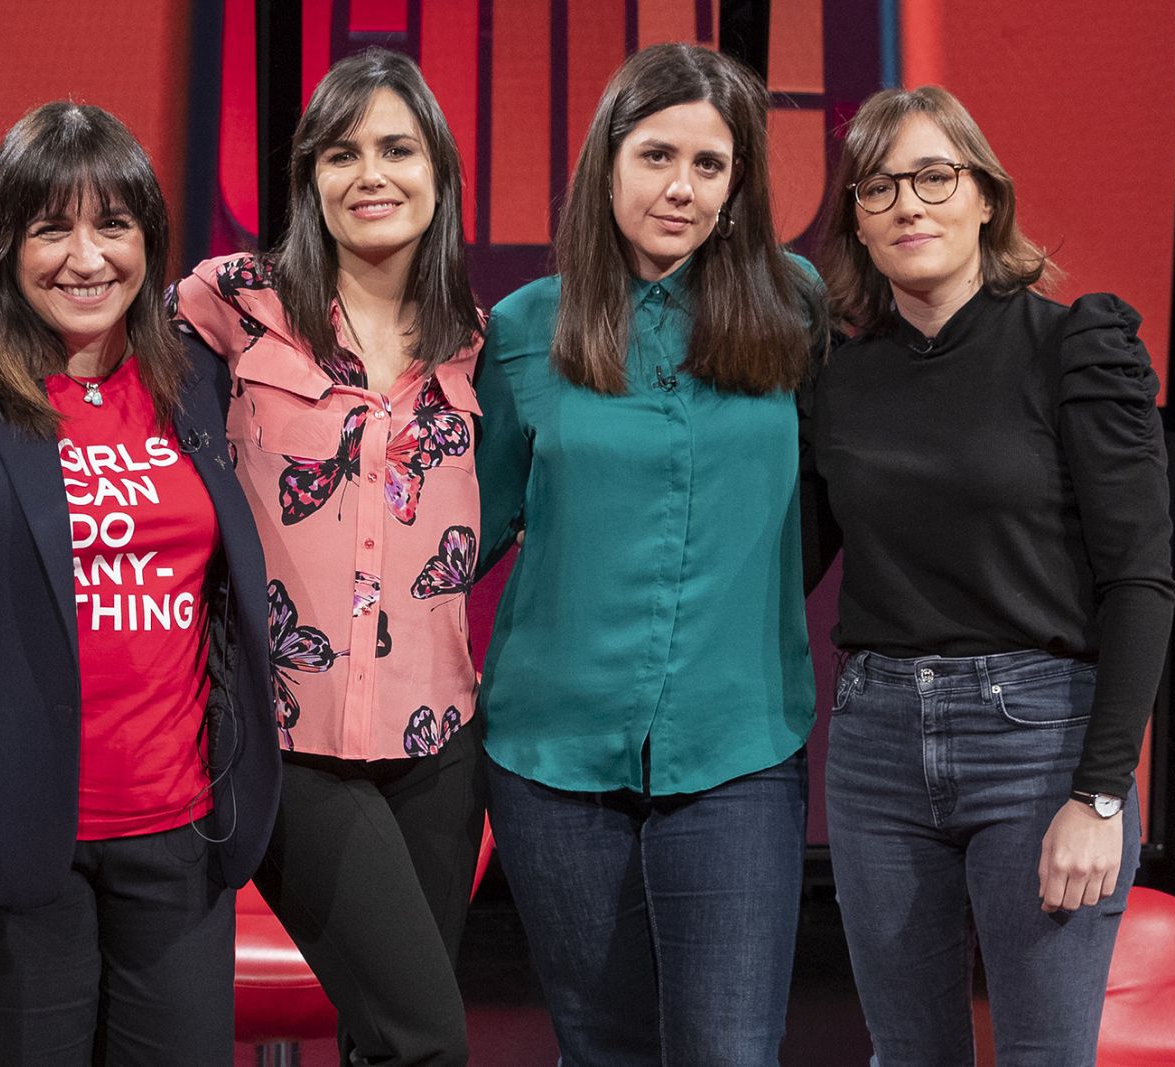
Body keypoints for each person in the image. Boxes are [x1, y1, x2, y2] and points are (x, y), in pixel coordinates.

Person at [0, 50, 487, 1066]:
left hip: (434, 740)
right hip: (292, 739)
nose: (372, 173)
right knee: (427, 1037)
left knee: (390, 1031)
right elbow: (83, 304)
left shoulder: (475, 337)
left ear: (439, 173)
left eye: (399, 149)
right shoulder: (230, 304)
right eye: (341, 151)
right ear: (307, 176)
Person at [0, 101, 281, 1066]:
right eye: (51, 228)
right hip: (5, 842)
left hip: (179, 838)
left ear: (149, 240)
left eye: (113, 226)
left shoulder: (193, 376)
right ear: (8, 241)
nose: (87, 258)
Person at [804, 85, 1175, 1066]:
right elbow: (788, 565)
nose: (908, 204)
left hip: (1039, 741)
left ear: (984, 198)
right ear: (854, 222)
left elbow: (1139, 578)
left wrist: (1100, 793)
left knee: (1045, 1053)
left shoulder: (1070, 345)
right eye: (877, 187)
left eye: (934, 176)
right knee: (906, 1052)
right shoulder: (840, 380)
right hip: (876, 742)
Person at [473, 43, 821, 1066]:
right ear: (606, 165)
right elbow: (462, 532)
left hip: (737, 750)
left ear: (738, 183)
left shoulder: (795, 306)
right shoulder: (523, 331)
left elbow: (853, 480)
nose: (679, 186)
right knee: (602, 1047)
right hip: (551, 757)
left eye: (708, 165)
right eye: (655, 154)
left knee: (726, 1050)